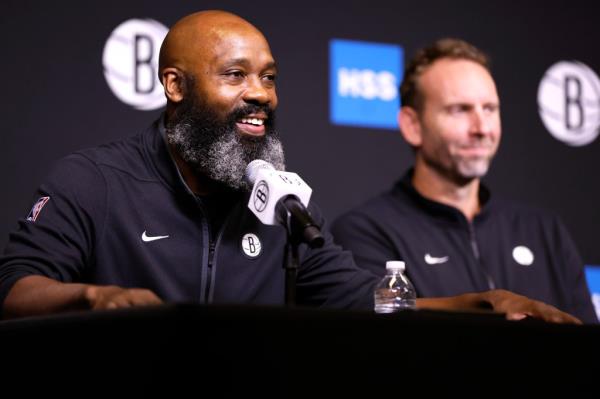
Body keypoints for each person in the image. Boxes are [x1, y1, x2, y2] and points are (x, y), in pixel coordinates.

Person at [0, 13, 580, 324]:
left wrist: (485, 303)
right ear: (174, 85)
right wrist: (98, 300)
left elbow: (363, 298)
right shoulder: (94, 181)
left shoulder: (282, 201)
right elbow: (14, 289)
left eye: (269, 78)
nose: (261, 94)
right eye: (235, 75)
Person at [332, 38, 598, 324]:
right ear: (412, 125)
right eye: (460, 110)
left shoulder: (545, 231)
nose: (482, 128)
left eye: (489, 109)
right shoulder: (365, 232)